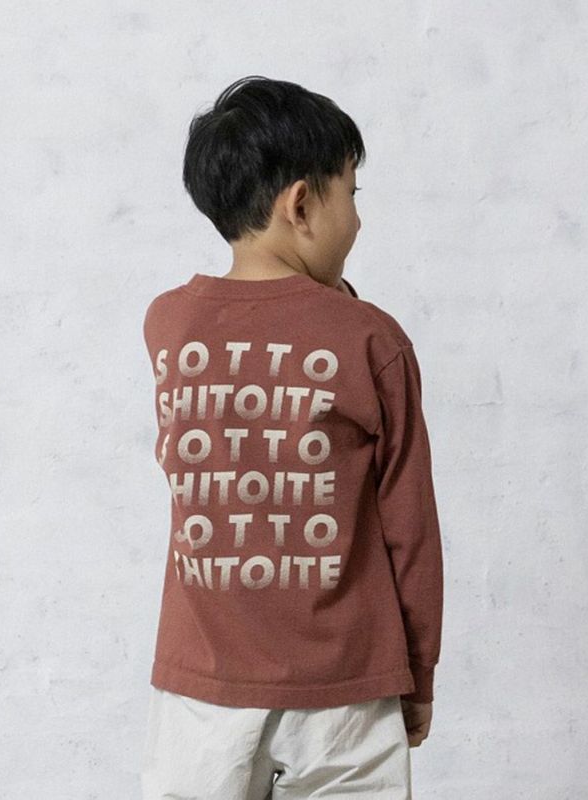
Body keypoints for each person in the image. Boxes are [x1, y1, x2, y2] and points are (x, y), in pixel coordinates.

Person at [140, 75, 443, 799]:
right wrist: (418, 673)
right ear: (301, 205)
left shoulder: (168, 324)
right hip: (347, 691)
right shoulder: (370, 340)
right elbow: (410, 528)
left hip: (202, 690)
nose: (359, 221)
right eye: (352, 195)